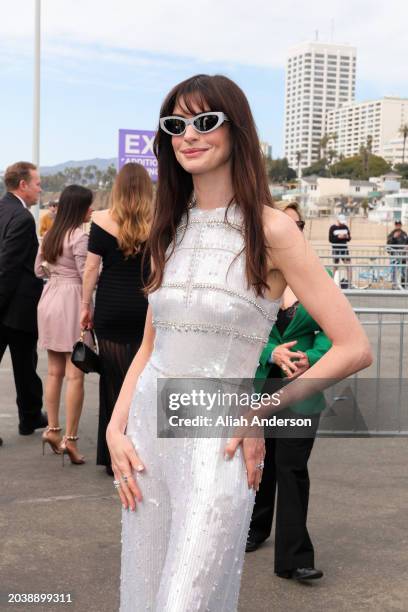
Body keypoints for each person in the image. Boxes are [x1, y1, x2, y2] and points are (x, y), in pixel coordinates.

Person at [106, 74, 372, 611]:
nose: (189, 135)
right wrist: (114, 427)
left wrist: (260, 409)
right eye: (176, 124)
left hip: (217, 443)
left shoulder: (272, 230)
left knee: (183, 601)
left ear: (237, 132)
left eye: (205, 121)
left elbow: (353, 347)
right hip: (147, 441)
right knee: (143, 595)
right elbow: (148, 349)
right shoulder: (167, 227)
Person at [246, 200, 331, 582]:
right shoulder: (253, 276)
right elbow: (239, 334)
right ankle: (254, 529)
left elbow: (335, 334)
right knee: (262, 465)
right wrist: (271, 351)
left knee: (292, 468)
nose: (290, 227)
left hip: (301, 391)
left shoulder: (317, 276)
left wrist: (309, 358)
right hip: (261, 386)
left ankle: (294, 557)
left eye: (297, 223)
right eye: (284, 221)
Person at [80, 163, 151, 476]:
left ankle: (112, 458)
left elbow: (92, 269)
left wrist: (85, 306)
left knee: (113, 382)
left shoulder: (100, 220)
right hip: (147, 309)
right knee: (145, 383)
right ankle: (142, 451)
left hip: (110, 308)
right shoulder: (160, 221)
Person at [35, 185, 93, 464]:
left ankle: (52, 429)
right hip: (72, 300)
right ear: (79, 208)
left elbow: (38, 269)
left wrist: (55, 271)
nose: (92, 210)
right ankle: (70, 438)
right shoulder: (79, 237)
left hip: (49, 299)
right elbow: (87, 275)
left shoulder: (49, 235)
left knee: (54, 372)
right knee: (75, 374)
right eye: (89, 206)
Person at [0, 161, 47, 436]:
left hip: (11, 305)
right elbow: (9, 266)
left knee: (27, 367)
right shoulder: (22, 217)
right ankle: (29, 417)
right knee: (26, 367)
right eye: (38, 183)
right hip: (14, 308)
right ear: (23, 185)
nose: (40, 188)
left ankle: (31, 416)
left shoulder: (5, 209)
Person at [329, 213, 352, 287]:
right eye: (341, 222)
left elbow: (349, 238)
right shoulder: (332, 228)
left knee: (349, 265)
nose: (342, 224)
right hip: (336, 249)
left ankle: (349, 284)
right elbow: (331, 239)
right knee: (335, 267)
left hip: (344, 249)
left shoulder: (345, 227)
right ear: (338, 220)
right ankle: (332, 284)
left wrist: (346, 236)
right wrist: (339, 237)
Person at [386, 220, 408, 289]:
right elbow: (388, 244)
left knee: (404, 270)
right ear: (395, 225)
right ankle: (394, 285)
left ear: (401, 225)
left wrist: (406, 248)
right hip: (394, 256)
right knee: (394, 270)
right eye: (397, 224)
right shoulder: (391, 234)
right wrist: (394, 238)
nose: (398, 226)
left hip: (403, 256)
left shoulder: (404, 234)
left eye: (399, 224)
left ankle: (403, 285)